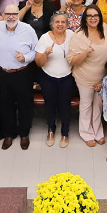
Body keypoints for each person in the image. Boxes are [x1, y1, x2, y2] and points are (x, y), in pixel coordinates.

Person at [0, 4, 38, 149]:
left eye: (14, 14)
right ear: (3, 14)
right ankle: (9, 134)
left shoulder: (28, 29)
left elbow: (36, 50)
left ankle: (24, 134)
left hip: (22, 73)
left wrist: (25, 57)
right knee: (5, 104)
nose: (11, 17)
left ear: (18, 14)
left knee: (24, 105)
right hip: (2, 73)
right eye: (8, 14)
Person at [69, 6, 107, 147]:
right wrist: (85, 53)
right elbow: (71, 60)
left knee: (98, 105)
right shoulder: (78, 36)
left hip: (102, 77)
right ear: (85, 19)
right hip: (85, 77)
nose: (93, 18)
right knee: (86, 105)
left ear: (100, 17)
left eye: (96, 15)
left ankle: (98, 132)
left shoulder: (105, 28)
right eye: (89, 16)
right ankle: (86, 132)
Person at [34, 12, 75, 148]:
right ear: (52, 24)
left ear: (67, 24)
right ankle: (51, 130)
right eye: (57, 22)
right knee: (50, 105)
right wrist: (45, 53)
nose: (60, 24)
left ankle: (65, 132)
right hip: (48, 77)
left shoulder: (71, 36)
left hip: (67, 77)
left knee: (65, 106)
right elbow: (39, 63)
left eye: (63, 22)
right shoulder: (45, 38)